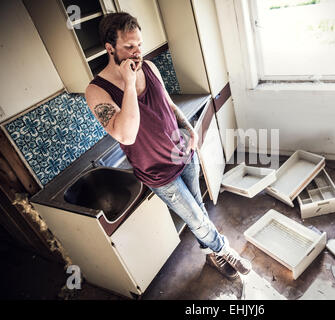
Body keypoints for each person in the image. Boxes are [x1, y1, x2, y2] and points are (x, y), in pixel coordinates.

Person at [85, 12, 251, 280]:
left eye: (139, 44)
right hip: (158, 172)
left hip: (182, 152)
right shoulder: (96, 90)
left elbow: (169, 105)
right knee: (196, 218)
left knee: (197, 208)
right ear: (110, 48)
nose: (138, 52)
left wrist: (189, 129)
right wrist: (128, 83)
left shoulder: (149, 68)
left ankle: (211, 255)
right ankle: (224, 248)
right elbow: (126, 135)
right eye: (129, 47)